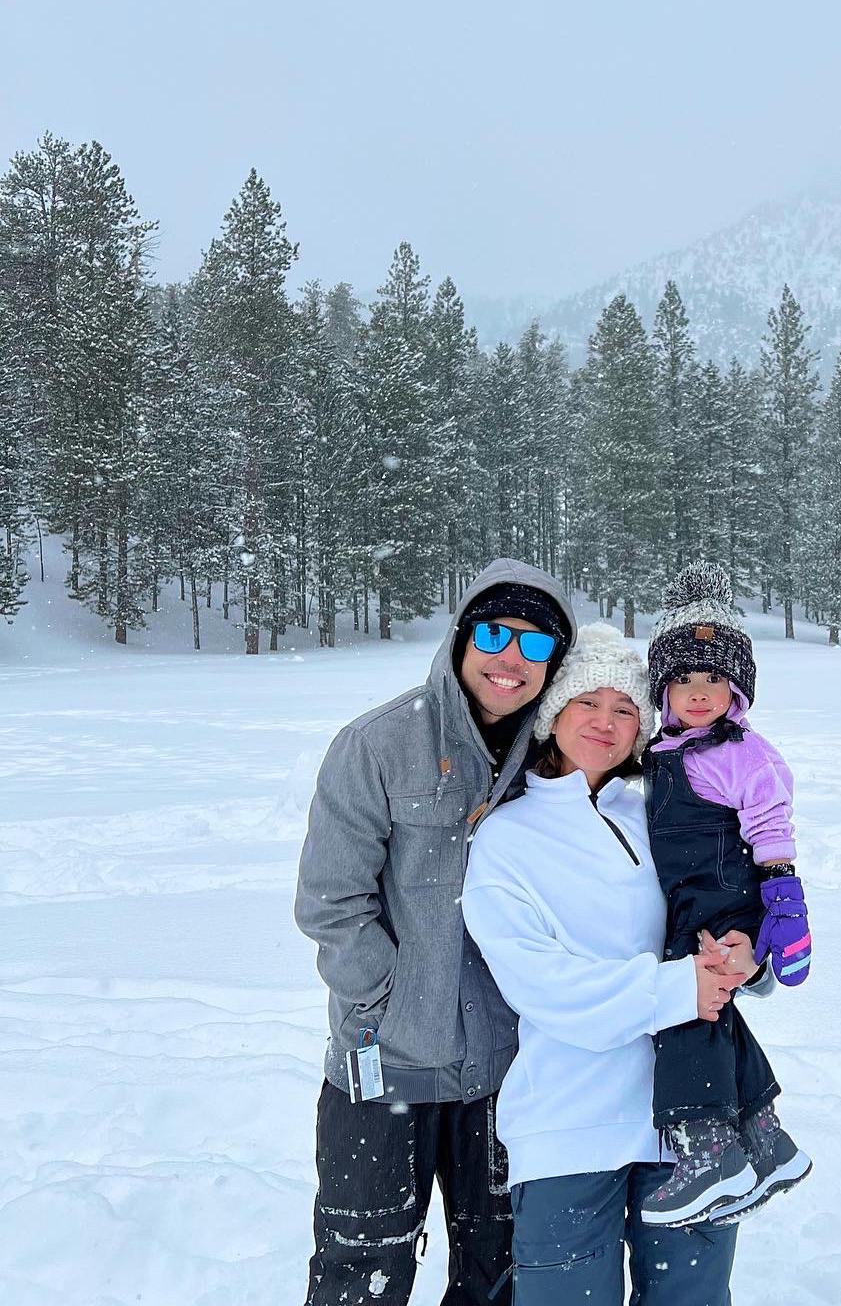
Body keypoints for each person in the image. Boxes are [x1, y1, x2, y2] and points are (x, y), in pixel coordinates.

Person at [295, 559, 575, 1306]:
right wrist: (389, 1006)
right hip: (383, 1071)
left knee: (500, 1276)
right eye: (494, 634)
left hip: (508, 1076)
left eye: (536, 644)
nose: (511, 659)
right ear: (460, 638)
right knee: (361, 1275)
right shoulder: (377, 744)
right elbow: (331, 902)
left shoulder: (555, 763)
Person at [461, 622, 753, 1305]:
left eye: (625, 708)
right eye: (587, 702)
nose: (605, 721)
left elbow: (724, 904)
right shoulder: (505, 838)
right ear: (553, 715)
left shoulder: (663, 815)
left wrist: (744, 951)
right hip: (568, 1128)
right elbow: (541, 984)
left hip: (686, 1122)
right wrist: (679, 988)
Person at [638, 563, 813, 1227]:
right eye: (683, 679)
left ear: (736, 688)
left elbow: (771, 825)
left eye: (713, 679)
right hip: (690, 899)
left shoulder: (743, 752)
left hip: (722, 897)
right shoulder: (662, 750)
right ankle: (765, 1136)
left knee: (687, 1005)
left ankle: (709, 1144)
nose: (698, 692)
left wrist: (783, 899)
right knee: (714, 1011)